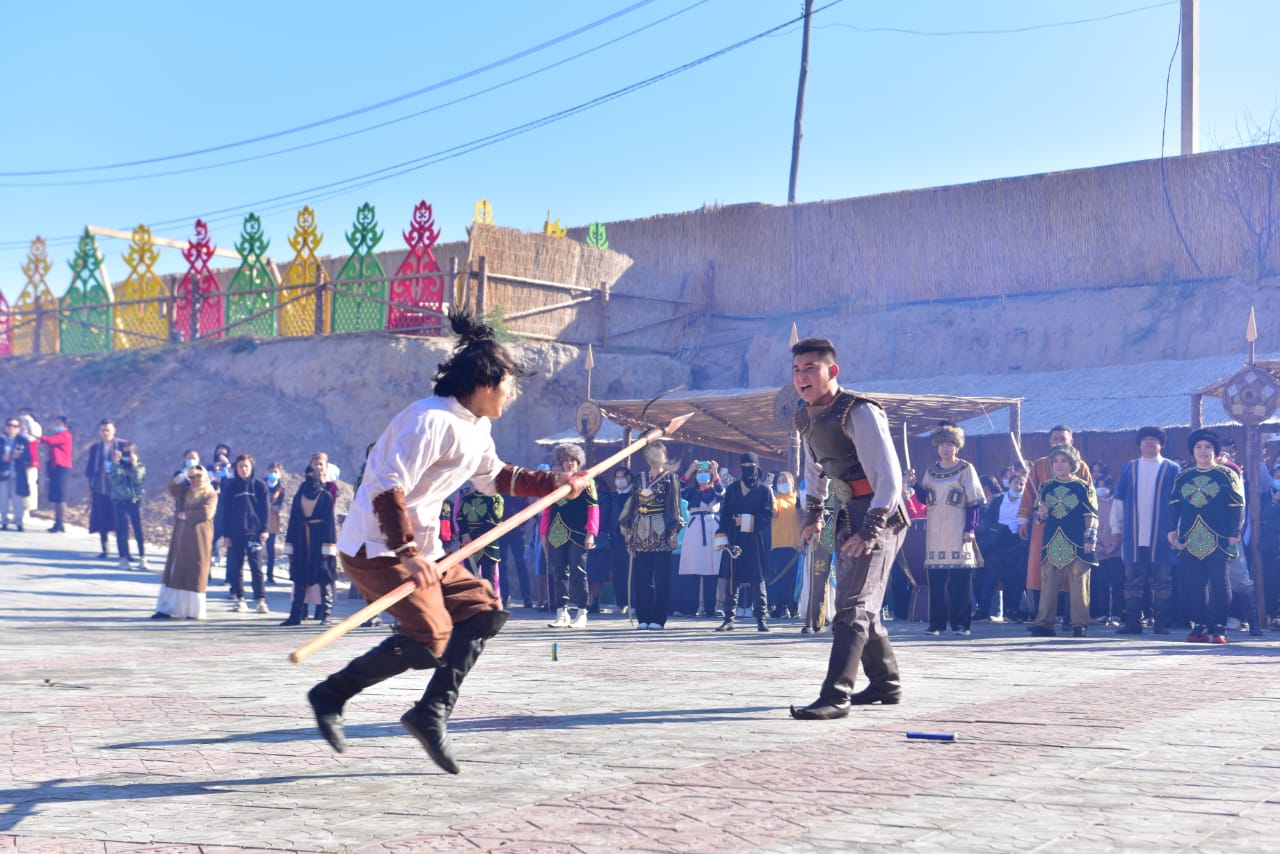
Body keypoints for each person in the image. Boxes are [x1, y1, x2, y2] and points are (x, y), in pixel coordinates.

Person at [306, 309, 591, 775]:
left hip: (423, 550)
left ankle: (431, 711)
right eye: (508, 385)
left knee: (484, 612)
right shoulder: (428, 421)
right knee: (429, 637)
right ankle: (332, 693)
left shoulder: (477, 428)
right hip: (377, 547)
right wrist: (408, 553)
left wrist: (556, 483)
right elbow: (385, 487)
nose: (511, 394)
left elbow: (494, 477)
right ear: (486, 382)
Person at [788, 338, 909, 719]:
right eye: (796, 370)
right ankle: (886, 684)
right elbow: (814, 468)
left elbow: (890, 477)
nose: (802, 377)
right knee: (858, 605)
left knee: (854, 606)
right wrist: (813, 514)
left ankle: (836, 695)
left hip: (880, 514)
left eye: (810, 368)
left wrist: (871, 529)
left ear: (832, 371)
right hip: (846, 512)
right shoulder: (806, 415)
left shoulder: (859, 411)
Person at [1169, 429, 1245, 644]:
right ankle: (1200, 625)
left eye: (1208, 447)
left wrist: (1233, 532)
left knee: (1220, 582)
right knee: (1195, 584)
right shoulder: (1184, 477)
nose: (1203, 451)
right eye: (1198, 447)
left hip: (1219, 537)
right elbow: (1174, 505)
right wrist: (1172, 529)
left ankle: (1219, 627)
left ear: (1215, 451)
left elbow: (1237, 505)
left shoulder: (1227, 475)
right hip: (1190, 537)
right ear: (1193, 451)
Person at [1110, 426, 1181, 635]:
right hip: (1134, 534)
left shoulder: (1172, 468)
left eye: (1154, 440)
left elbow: (1178, 503)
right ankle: (1132, 623)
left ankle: (1160, 623)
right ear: (1139, 444)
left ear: (1161, 444)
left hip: (1163, 534)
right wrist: (1116, 527)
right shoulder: (1129, 468)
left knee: (1163, 581)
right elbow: (1119, 500)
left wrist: (1177, 529)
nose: (1149, 443)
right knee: (1132, 580)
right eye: (1145, 440)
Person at [1017, 425, 1092, 619]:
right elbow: (1029, 494)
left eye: (1062, 438)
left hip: (1073, 528)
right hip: (1045, 528)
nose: (1058, 442)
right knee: (1042, 570)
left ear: (1071, 442)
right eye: (1055, 439)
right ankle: (1042, 618)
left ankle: (1072, 618)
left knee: (1073, 573)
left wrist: (1090, 532)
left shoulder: (1081, 468)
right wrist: (1024, 519)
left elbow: (1089, 504)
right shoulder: (1040, 465)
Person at [919, 425, 985, 637]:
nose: (945, 449)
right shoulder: (930, 471)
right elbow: (925, 499)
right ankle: (936, 623)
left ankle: (961, 624)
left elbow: (974, 501)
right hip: (935, 533)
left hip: (958, 530)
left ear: (957, 446)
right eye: (941, 445)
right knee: (936, 582)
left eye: (949, 444)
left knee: (960, 582)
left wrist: (971, 528)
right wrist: (912, 488)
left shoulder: (966, 469)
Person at [1028, 445, 1099, 638]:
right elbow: (1038, 517)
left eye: (1064, 461)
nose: (1059, 465)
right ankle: (1044, 623)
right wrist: (1040, 514)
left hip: (1077, 540)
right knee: (1048, 582)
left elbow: (1090, 514)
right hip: (1052, 540)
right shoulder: (1045, 487)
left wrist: (1089, 539)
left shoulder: (1082, 487)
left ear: (1072, 464)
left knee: (1079, 582)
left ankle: (1079, 624)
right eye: (1056, 461)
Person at [619, 443, 684, 630]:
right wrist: (629, 530)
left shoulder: (670, 479)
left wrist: (673, 532)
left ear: (665, 456)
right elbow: (632, 506)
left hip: (660, 531)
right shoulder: (640, 478)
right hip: (640, 531)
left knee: (662, 578)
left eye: (659, 453)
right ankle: (643, 617)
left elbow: (674, 506)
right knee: (642, 578)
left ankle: (658, 618)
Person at [541, 443, 598, 629]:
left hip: (578, 532)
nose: (569, 463)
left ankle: (582, 611)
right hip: (556, 532)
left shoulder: (586, 480)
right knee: (558, 572)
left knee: (578, 571)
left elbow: (593, 507)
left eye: (573, 460)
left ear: (578, 462)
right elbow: (548, 509)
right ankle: (561, 611)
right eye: (566, 460)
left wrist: (591, 532)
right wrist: (543, 533)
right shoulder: (554, 481)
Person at [716, 452, 775, 632]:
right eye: (744, 466)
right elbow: (725, 514)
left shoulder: (764, 490)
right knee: (732, 577)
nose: (748, 469)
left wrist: (747, 520)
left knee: (757, 578)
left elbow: (767, 515)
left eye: (751, 466)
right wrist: (723, 538)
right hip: (734, 538)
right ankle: (728, 619)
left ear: (757, 466)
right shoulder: (733, 489)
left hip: (755, 538)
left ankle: (761, 619)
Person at [154, 464, 217, 620]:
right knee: (176, 571)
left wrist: (186, 515)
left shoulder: (210, 493)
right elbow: (173, 488)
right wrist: (183, 475)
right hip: (181, 538)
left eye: (198, 476)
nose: (195, 480)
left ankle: (192, 611)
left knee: (194, 573)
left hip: (199, 538)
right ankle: (166, 608)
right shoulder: (187, 492)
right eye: (192, 477)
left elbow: (206, 513)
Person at [281, 465, 339, 626]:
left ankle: (326, 614)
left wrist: (328, 547)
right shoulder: (298, 496)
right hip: (301, 541)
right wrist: (290, 544)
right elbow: (293, 521)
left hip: (319, 541)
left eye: (313, 474)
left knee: (324, 575)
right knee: (300, 576)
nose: (310, 477)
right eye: (308, 474)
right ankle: (295, 615)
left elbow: (330, 524)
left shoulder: (325, 497)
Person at [217, 453, 270, 614]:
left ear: (251, 467)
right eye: (240, 466)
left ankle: (260, 600)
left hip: (254, 534)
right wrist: (225, 535)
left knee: (256, 567)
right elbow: (224, 512)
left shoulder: (260, 486)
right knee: (236, 566)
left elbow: (265, 509)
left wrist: (265, 529)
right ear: (236, 468)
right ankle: (240, 599)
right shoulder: (231, 487)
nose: (244, 469)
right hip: (235, 534)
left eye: (246, 466)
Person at [975, 471, 1029, 622]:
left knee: (1016, 578)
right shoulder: (999, 500)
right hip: (998, 542)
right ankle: (983, 611)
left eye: (1022, 484)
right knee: (991, 576)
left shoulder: (1026, 501)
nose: (1018, 486)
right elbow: (988, 520)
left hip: (1017, 543)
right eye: (1016, 483)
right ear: (1009, 484)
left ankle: (1012, 611)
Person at [678, 459, 724, 619]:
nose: (702, 475)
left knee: (711, 570)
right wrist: (690, 471)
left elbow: (721, 493)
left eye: (705, 472)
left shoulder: (715, 491)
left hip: (712, 529)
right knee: (693, 569)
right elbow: (679, 489)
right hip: (695, 529)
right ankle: (691, 607)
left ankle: (710, 608)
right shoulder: (691, 492)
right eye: (700, 472)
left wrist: (715, 473)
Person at [86, 419, 128, 558]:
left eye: (108, 430)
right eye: (103, 430)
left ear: (114, 430)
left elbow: (132, 466)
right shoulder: (95, 448)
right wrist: (90, 487)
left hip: (118, 490)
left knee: (121, 520)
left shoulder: (123, 445)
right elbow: (90, 469)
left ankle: (124, 551)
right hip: (100, 488)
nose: (105, 433)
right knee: (102, 518)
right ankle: (105, 549)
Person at [458, 482, 505, 600]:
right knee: (470, 578)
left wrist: (478, 537)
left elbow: (495, 521)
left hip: (487, 543)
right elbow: (460, 518)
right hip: (469, 543)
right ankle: (473, 607)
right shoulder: (467, 498)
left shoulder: (495, 498)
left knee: (488, 577)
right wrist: (465, 535)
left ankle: (489, 607)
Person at [767, 471, 802, 620]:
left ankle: (794, 607)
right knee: (780, 578)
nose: (782, 484)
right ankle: (780, 607)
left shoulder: (799, 499)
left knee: (794, 579)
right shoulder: (776, 500)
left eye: (785, 481)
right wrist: (770, 493)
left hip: (797, 545)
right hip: (779, 544)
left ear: (792, 483)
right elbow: (773, 513)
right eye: (779, 481)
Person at [108, 442, 147, 569]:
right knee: (122, 530)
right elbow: (114, 480)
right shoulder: (117, 466)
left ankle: (143, 557)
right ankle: (123, 558)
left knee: (138, 529)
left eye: (129, 453)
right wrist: (115, 463)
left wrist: (134, 464)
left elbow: (138, 480)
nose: (126, 456)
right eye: (124, 453)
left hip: (134, 501)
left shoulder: (140, 466)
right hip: (119, 501)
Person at [608, 467, 635, 615]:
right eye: (617, 477)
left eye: (622, 477)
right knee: (618, 572)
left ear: (629, 478)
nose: (619, 480)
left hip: (632, 538)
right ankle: (620, 602)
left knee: (631, 571)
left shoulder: (634, 495)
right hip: (616, 539)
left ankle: (633, 602)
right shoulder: (613, 497)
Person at [0, 417, 34, 531]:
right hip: (3, 474)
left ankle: (19, 521)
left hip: (17, 474)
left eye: (15, 426)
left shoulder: (22, 441)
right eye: (9, 425)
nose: (11, 428)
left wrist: (19, 457)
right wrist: (2, 458)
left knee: (17, 499)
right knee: (3, 499)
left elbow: (29, 457)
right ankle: (4, 520)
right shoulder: (1, 440)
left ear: (19, 428)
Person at [43, 416, 73, 533]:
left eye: (59, 423)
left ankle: (59, 522)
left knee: (61, 497)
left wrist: (34, 435)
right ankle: (58, 522)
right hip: (55, 467)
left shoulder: (65, 435)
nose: (57, 425)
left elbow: (50, 441)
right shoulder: (58, 435)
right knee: (56, 497)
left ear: (65, 425)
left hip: (63, 467)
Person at [17, 408, 41, 519]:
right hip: (20, 459)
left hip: (31, 459)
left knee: (30, 483)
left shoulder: (34, 426)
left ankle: (28, 508)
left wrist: (26, 425)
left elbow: (32, 437)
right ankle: (18, 508)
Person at [264, 462, 286, 584]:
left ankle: (270, 575)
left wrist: (271, 507)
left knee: (270, 549)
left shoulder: (280, 489)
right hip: (260, 520)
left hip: (272, 521)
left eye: (276, 472)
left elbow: (278, 506)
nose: (273, 474)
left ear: (280, 474)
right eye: (271, 472)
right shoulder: (261, 485)